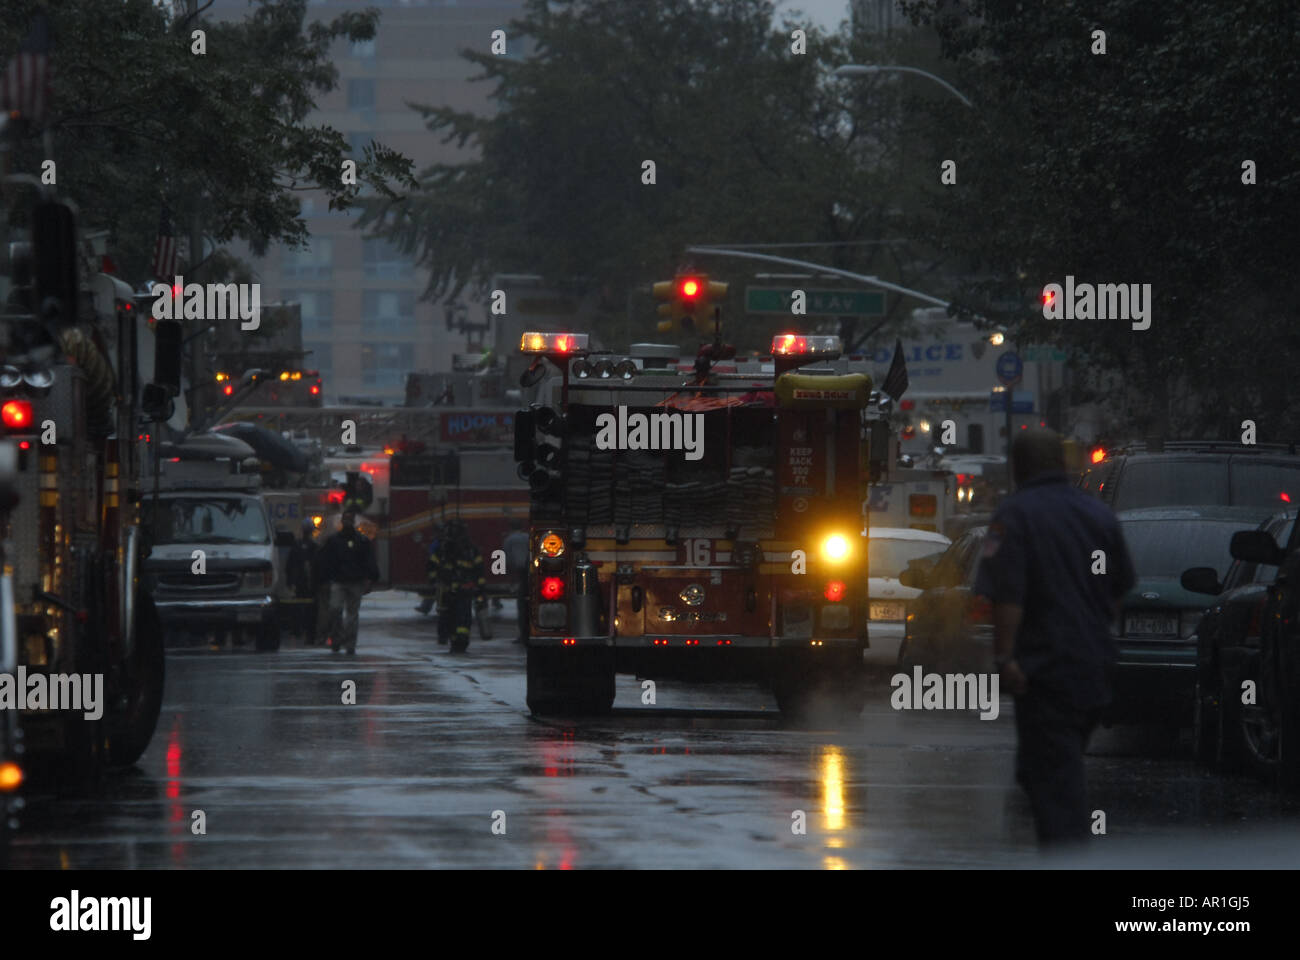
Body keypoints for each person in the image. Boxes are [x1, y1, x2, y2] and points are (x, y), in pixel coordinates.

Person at [974, 429, 1135, 848]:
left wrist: (1005, 657)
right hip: (1093, 667)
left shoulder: (1013, 517)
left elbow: (1008, 596)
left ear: (1018, 467)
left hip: (1044, 671)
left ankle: (1067, 854)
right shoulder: (1099, 515)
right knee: (1048, 767)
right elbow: (1118, 591)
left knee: (1056, 782)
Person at [317, 509, 380, 655]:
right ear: (342, 522)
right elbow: (325, 561)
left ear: (352, 522)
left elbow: (369, 560)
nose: (347, 522)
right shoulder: (334, 541)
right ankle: (337, 639)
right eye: (345, 520)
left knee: (351, 615)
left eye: (349, 520)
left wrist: (371, 579)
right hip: (338, 581)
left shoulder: (362, 541)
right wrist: (323, 579)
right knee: (335, 610)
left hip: (355, 582)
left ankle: (350, 644)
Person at [429, 520, 486, 652]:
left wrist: (434, 582)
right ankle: (460, 640)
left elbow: (431, 566)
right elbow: (479, 570)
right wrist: (480, 589)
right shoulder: (470, 549)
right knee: (461, 617)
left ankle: (456, 640)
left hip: (453, 591)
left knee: (453, 617)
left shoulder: (444, 549)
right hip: (461, 590)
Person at [285, 520, 320, 644]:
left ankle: (300, 630)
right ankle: (307, 632)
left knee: (300, 607)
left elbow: (289, 565)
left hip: (303, 583)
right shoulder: (313, 547)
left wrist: (290, 581)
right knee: (308, 609)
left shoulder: (298, 546)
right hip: (307, 583)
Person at [502, 519, 531, 644]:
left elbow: (507, 558)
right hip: (531, 571)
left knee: (522, 606)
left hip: (520, 573)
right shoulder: (528, 537)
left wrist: (510, 578)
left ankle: (523, 635)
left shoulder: (509, 540)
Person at [415, 521, 446, 615]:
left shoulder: (438, 543)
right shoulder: (438, 542)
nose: (435, 534)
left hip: (440, 572)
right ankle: (427, 607)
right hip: (439, 572)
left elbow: (433, 559)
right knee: (434, 591)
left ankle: (428, 607)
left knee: (436, 591)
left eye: (437, 531)